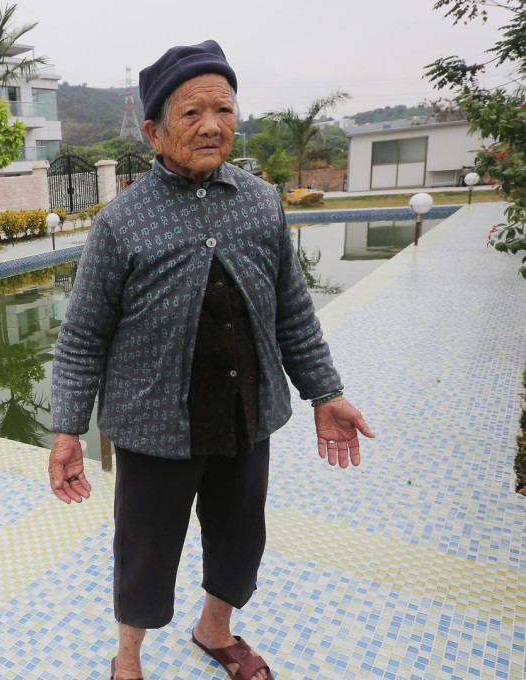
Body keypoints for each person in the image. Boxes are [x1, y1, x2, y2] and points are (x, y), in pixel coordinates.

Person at [47, 41, 374, 680]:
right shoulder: (121, 223)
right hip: (153, 426)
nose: (212, 125)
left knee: (237, 539)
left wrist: (324, 393)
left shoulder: (259, 201)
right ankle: (129, 657)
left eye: (223, 109)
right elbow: (83, 338)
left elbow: (292, 313)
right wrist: (67, 431)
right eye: (192, 112)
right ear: (154, 131)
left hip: (244, 413)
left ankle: (215, 629)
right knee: (145, 551)